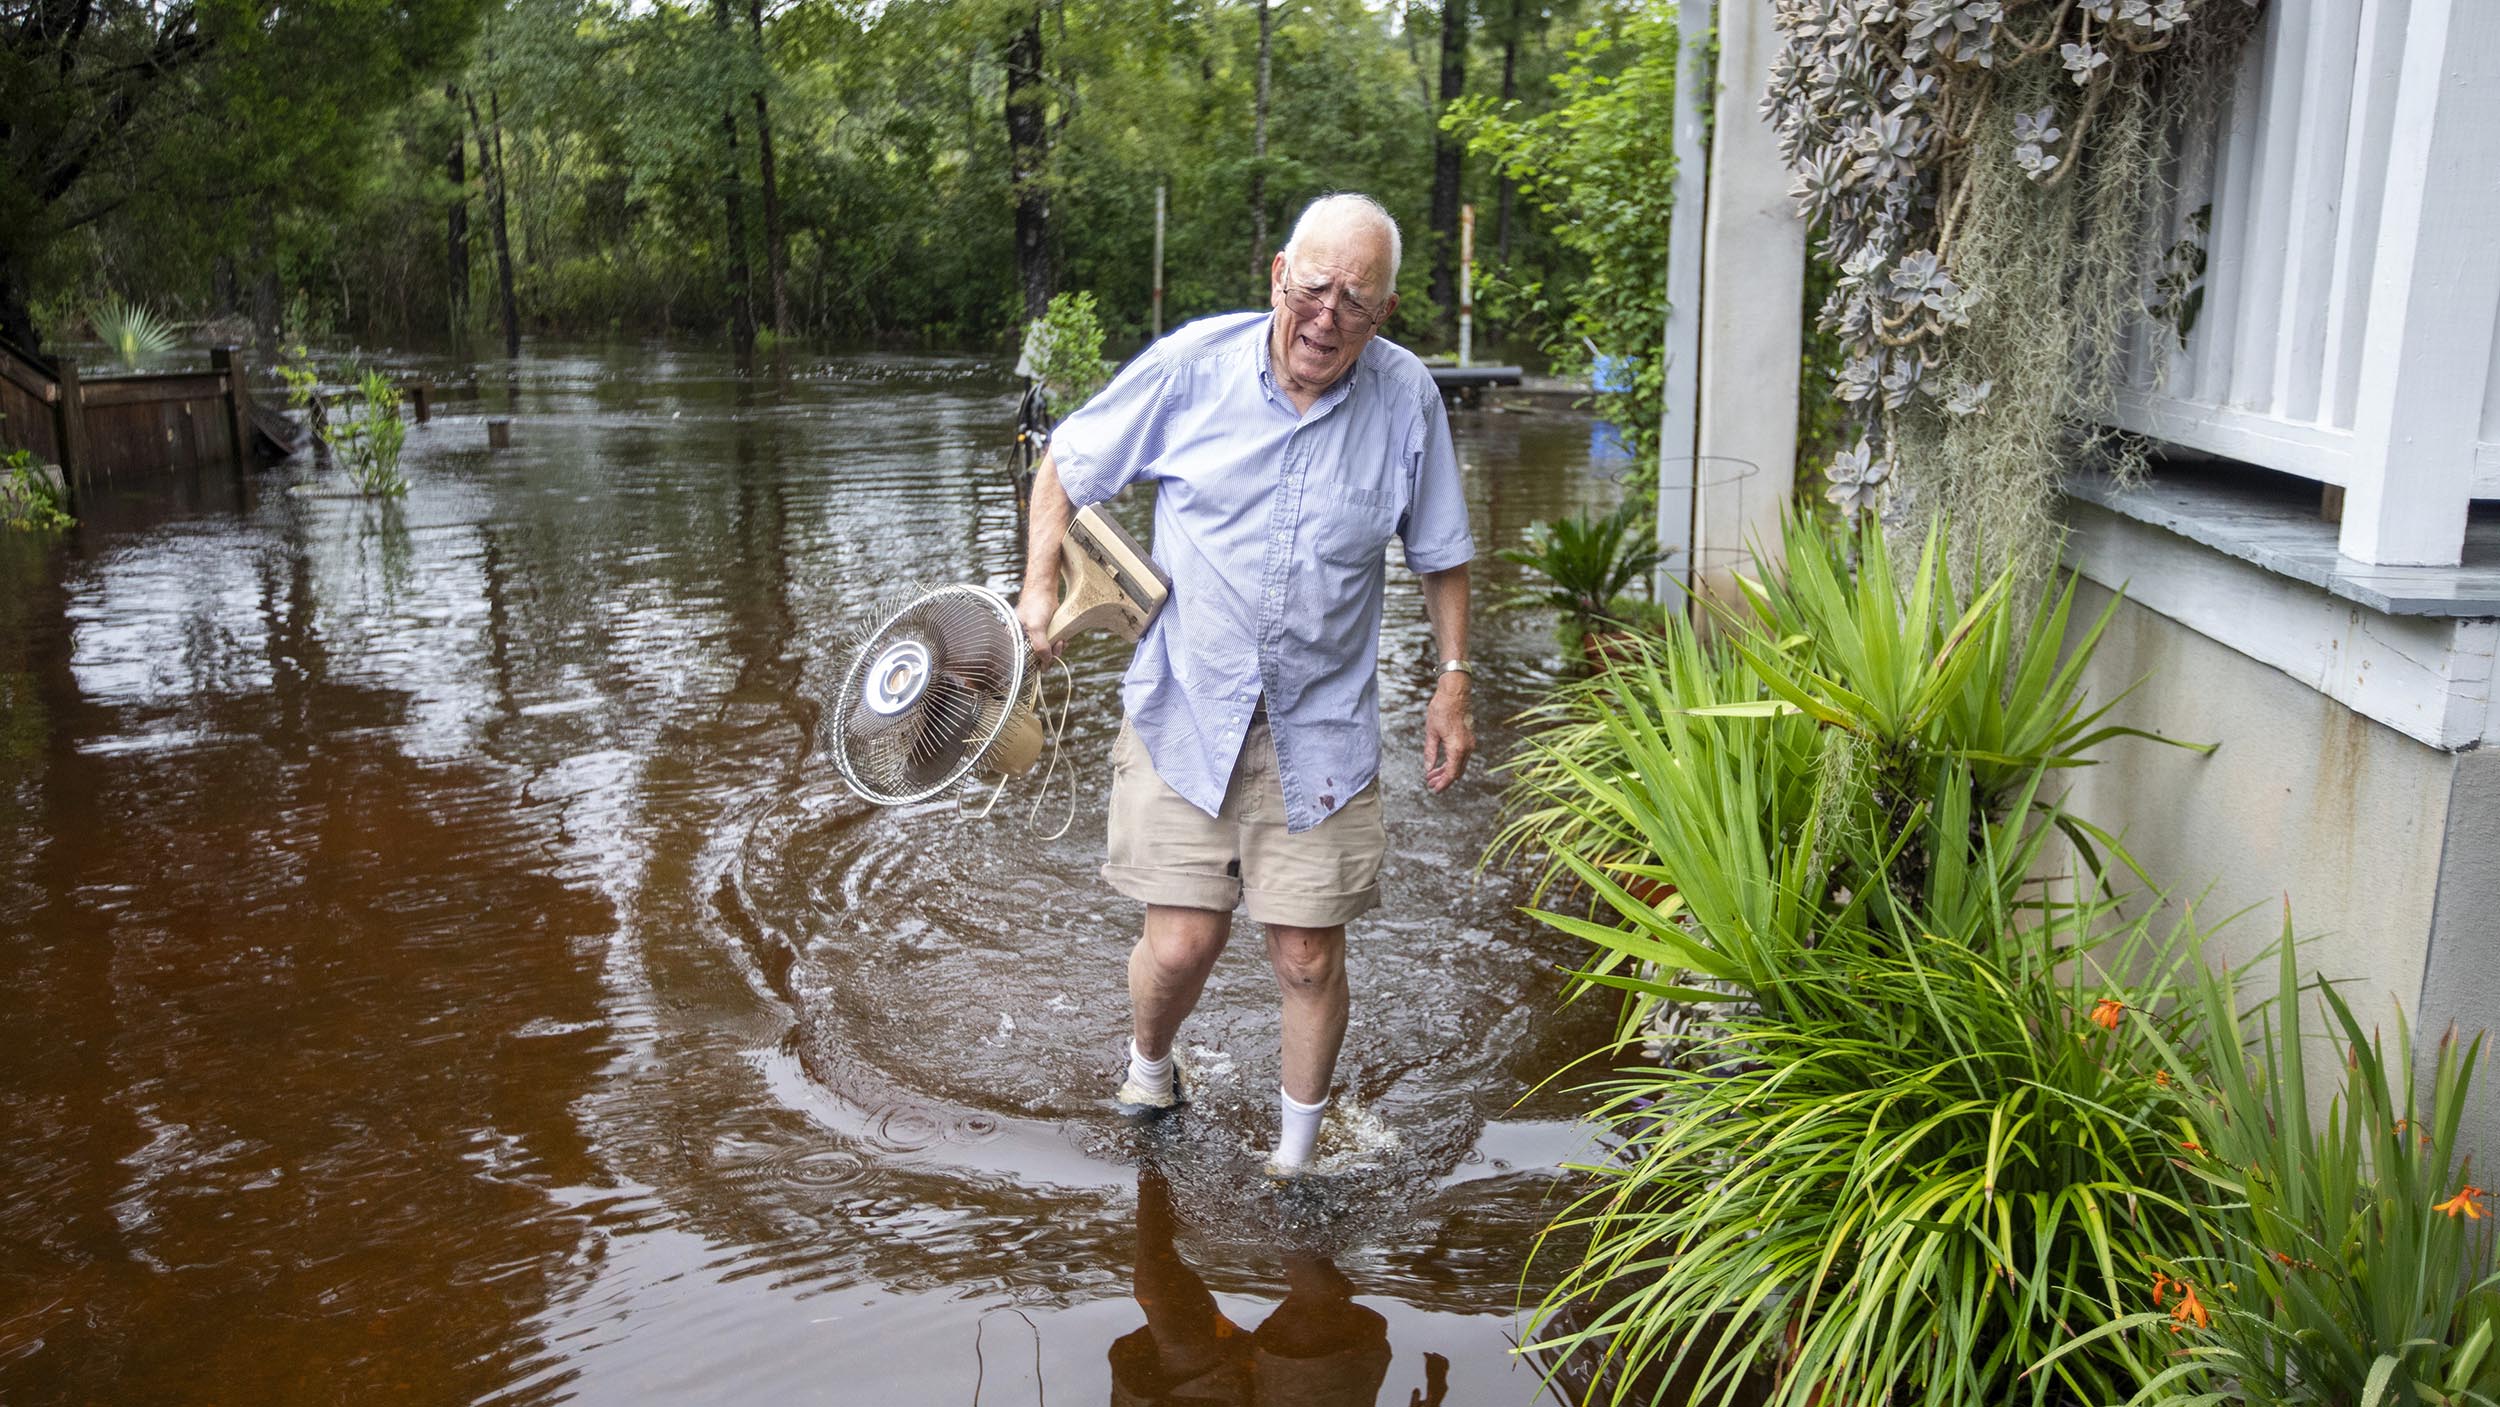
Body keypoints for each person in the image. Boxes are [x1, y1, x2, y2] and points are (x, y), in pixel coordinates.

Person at [1016, 192, 1475, 1177]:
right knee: (1180, 946)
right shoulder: (1193, 367)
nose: (1327, 315)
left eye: (1357, 300)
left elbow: (1440, 552)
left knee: (1305, 957)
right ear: (1277, 275)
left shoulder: (1407, 400)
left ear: (1384, 314)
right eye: (1313, 287)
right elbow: (1067, 461)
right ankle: (1150, 1069)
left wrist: (1451, 682)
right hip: (1187, 703)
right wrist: (1037, 589)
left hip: (1321, 726)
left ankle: (1297, 1161)